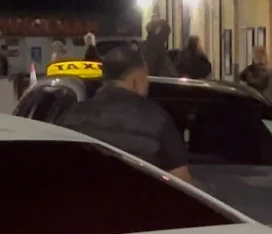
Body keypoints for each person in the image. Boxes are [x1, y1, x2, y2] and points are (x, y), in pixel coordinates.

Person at [80, 41, 191, 178]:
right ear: (136, 80)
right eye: (146, 79)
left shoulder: (70, 115)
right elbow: (180, 179)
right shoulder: (156, 119)